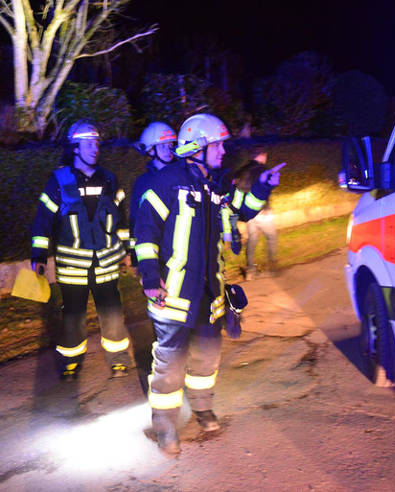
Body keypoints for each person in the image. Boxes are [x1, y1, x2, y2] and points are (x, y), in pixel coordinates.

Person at [134, 113, 283, 454]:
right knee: (170, 363)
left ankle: (202, 408)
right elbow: (144, 234)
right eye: (216, 144)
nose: (222, 150)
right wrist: (150, 279)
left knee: (206, 358)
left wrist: (263, 186)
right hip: (172, 293)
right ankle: (165, 424)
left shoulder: (215, 185)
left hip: (210, 293)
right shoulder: (166, 182)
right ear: (196, 147)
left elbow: (241, 212)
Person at [31, 119, 131, 381]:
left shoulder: (109, 179)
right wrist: (39, 255)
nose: (95, 148)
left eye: (96, 143)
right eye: (89, 143)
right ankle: (71, 361)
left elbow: (121, 218)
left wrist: (127, 250)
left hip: (107, 264)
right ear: (75, 147)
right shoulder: (58, 181)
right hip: (72, 267)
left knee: (112, 315)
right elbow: (43, 220)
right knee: (73, 318)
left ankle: (119, 359)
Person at [130, 122, 177, 267]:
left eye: (171, 144)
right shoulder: (143, 183)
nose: (168, 150)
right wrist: (136, 258)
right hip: (157, 255)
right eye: (163, 146)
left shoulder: (181, 177)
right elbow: (136, 220)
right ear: (151, 150)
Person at [235, 150, 278, 280]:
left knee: (252, 240)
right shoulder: (263, 170)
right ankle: (271, 268)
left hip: (248, 211)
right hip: (261, 211)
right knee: (272, 237)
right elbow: (266, 189)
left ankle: (250, 271)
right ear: (262, 156)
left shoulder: (243, 170)